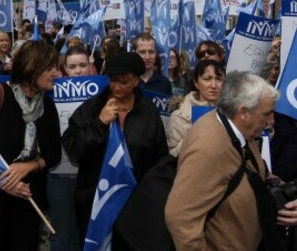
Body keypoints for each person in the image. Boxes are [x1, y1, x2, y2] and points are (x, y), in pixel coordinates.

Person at [165, 71, 297, 251]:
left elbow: (261, 174)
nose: (271, 121)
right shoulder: (208, 148)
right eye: (266, 114)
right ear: (243, 112)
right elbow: (180, 217)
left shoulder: (241, 132)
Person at [0, 40, 62, 251]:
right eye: (50, 68)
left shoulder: (48, 105)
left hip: (27, 202)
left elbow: (54, 154)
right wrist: (5, 180)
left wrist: (29, 166)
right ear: (31, 68)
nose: (57, 73)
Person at [62, 52, 168, 243]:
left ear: (136, 81)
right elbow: (75, 150)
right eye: (112, 80)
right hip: (96, 203)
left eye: (124, 81)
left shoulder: (148, 112)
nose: (117, 86)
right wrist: (100, 123)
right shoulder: (92, 108)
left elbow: (159, 159)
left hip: (134, 205)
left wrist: (150, 197)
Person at [49, 44, 92, 251]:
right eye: (73, 66)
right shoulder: (53, 92)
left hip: (92, 176)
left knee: (88, 232)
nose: (78, 71)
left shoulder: (103, 92)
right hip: (61, 175)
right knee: (62, 234)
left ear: (90, 66)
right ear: (64, 68)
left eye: (82, 65)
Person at [167, 59, 225, 157]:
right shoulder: (179, 116)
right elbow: (172, 156)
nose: (214, 85)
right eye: (207, 79)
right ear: (196, 83)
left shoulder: (230, 115)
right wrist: (192, 136)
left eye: (218, 79)